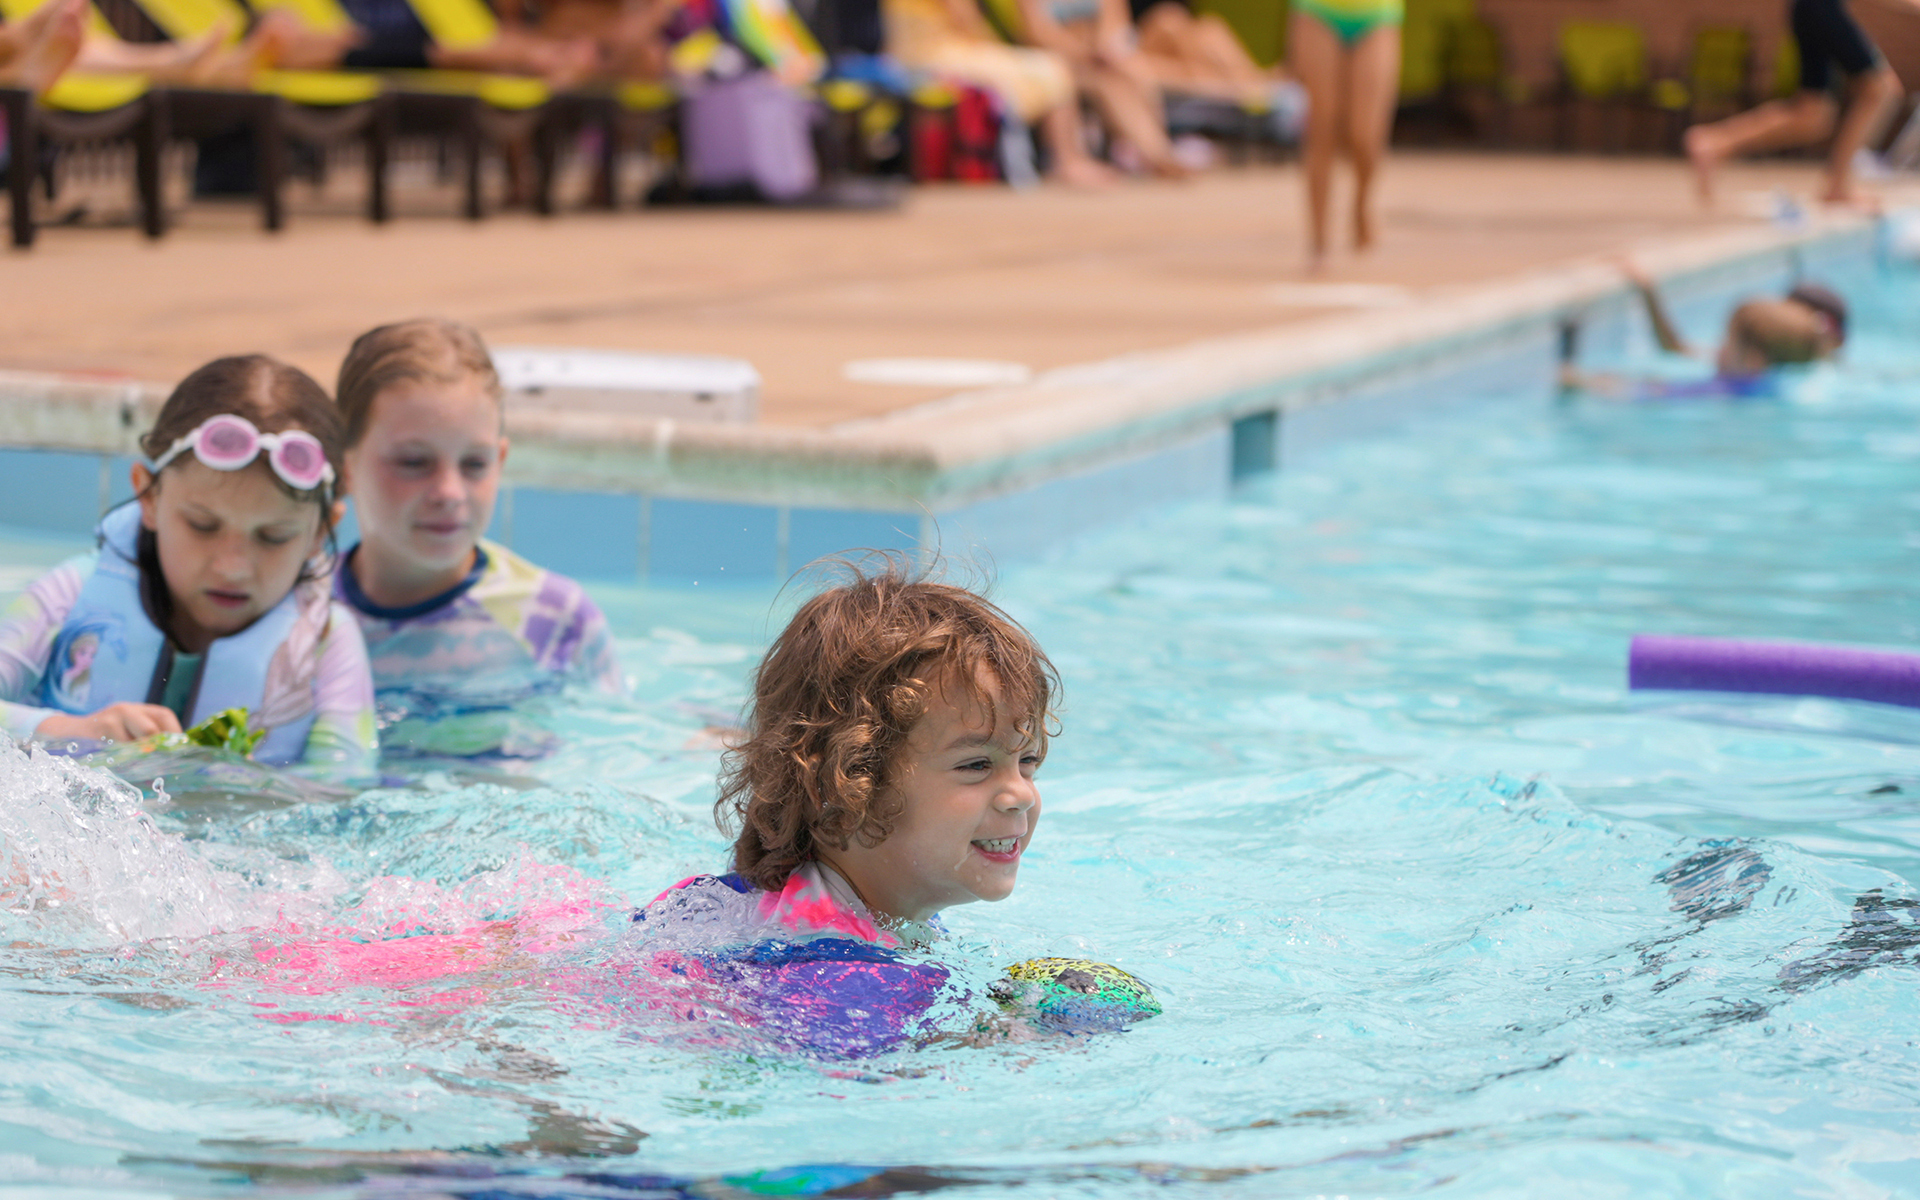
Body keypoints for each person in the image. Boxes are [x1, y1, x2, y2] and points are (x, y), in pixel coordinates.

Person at [631, 563, 1056, 1053]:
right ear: (844, 786)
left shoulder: (833, 910)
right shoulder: (834, 980)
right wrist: (1018, 1038)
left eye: (1028, 762)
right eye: (977, 764)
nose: (1021, 794)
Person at [0, 356, 378, 776]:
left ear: (321, 532)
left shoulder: (328, 642)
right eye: (202, 526)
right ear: (149, 497)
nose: (233, 567)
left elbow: (346, 786)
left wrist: (243, 789)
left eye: (274, 537)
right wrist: (71, 732)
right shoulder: (69, 595)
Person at [331, 319, 621, 750]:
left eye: (474, 465)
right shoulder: (302, 617)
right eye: (414, 462)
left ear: (500, 460)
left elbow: (616, 751)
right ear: (345, 465)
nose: (449, 492)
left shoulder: (556, 620)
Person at [1684, 0, 1905, 208]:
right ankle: (1838, 186)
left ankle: (1715, 142)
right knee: (1880, 89)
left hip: (1811, 8)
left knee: (1813, 115)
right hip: (1821, 8)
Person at [882, 0, 1115, 185]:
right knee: (1052, 69)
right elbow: (965, 20)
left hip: (910, 54)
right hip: (935, 54)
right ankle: (1068, 160)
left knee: (1048, 67)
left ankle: (1069, 159)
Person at [1560, 262, 1845, 399]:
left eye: (1728, 339)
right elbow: (1676, 348)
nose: (1719, 347)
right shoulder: (1773, 380)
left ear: (1754, 359)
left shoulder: (1723, 390)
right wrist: (1648, 293)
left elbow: (1641, 393)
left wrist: (1578, 379)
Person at [1009, 0, 1187, 176]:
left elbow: (1116, 23)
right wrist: (1083, 53)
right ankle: (1158, 155)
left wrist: (1105, 50)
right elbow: (1036, 32)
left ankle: (1157, 151)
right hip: (1062, 59)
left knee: (1135, 73)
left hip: (1100, 58)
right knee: (1106, 85)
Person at [1288, 0, 1401, 269]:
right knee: (1322, 129)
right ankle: (1319, 242)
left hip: (1376, 15)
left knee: (1365, 135)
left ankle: (1361, 203)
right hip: (1318, 12)